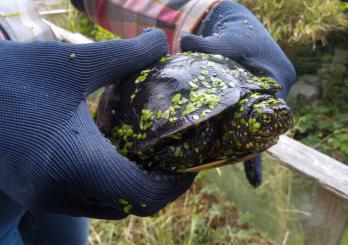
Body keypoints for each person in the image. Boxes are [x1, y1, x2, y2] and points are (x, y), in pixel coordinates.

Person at [0, 0, 296, 244]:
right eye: (266, 118)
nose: (276, 121)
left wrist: (207, 13)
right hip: (25, 119)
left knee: (66, 235)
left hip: (58, 125)